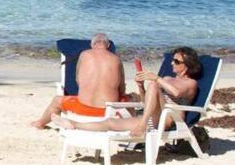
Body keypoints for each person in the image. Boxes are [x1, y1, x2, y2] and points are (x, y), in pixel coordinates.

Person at [55, 46, 201, 138]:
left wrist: (156, 79)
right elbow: (146, 102)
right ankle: (74, 124)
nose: (171, 63)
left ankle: (142, 125)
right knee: (111, 122)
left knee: (153, 85)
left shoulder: (191, 83)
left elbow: (176, 93)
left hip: (169, 118)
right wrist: (141, 87)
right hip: (152, 117)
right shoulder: (167, 78)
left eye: (176, 61)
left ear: (187, 65)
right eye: (173, 60)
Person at [30, 33, 125, 128]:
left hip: (83, 108)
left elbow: (78, 80)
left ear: (92, 45)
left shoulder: (84, 55)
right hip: (108, 111)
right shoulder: (116, 59)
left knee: (57, 100)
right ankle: (127, 124)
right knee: (131, 98)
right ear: (108, 45)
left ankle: (40, 123)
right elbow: (121, 89)